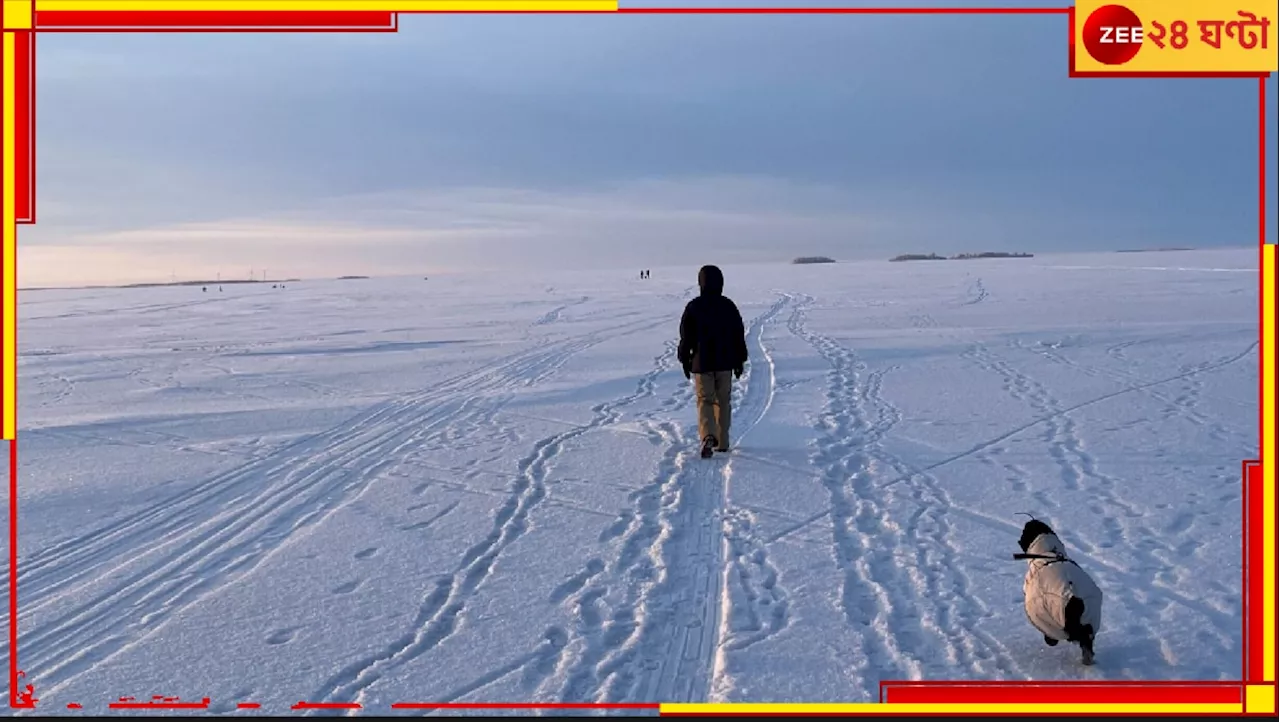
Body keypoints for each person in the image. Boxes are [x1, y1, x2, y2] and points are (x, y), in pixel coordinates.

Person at [678, 264, 748, 457]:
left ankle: (708, 435)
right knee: (723, 401)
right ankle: (723, 442)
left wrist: (685, 359)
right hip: (725, 363)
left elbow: (686, 337)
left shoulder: (694, 307)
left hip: (702, 364)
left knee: (705, 400)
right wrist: (740, 360)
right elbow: (738, 335)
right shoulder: (728, 306)